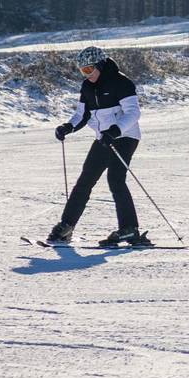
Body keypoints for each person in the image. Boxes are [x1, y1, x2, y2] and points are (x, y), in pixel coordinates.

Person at [47, 47, 145, 246]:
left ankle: (129, 229)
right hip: (103, 139)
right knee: (85, 181)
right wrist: (67, 127)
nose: (87, 74)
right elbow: (82, 115)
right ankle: (66, 226)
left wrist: (115, 132)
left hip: (125, 136)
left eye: (89, 69)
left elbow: (133, 113)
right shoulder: (87, 87)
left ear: (100, 65)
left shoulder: (121, 82)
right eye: (83, 71)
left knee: (115, 179)